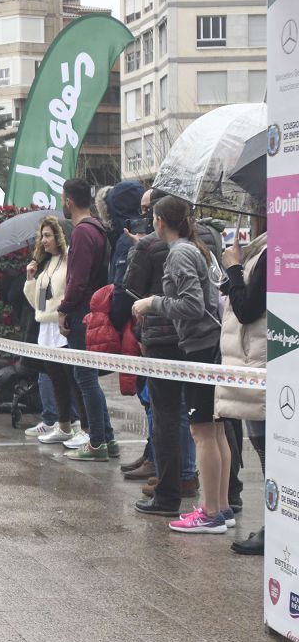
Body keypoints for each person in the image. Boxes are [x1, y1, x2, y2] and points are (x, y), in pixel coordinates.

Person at [132, 196, 229, 533]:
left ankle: (211, 513)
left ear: (160, 220)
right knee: (214, 430)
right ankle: (222, 508)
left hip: (202, 347)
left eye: (151, 216)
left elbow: (192, 304)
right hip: (207, 344)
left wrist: (152, 302)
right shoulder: (191, 248)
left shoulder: (180, 253)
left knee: (202, 430)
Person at [57, 178, 119, 461]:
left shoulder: (81, 232)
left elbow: (78, 279)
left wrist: (64, 307)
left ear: (69, 200)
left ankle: (96, 442)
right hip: (94, 309)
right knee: (89, 376)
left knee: (85, 376)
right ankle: (106, 437)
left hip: (82, 312)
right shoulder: (98, 228)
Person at [216, 220, 267, 554]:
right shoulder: (263, 246)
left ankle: (274, 527)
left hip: (259, 363)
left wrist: (234, 269)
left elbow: (249, 308)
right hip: (254, 363)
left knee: (271, 455)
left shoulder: (273, 250)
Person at [23, 216, 88, 444]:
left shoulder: (71, 258)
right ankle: (63, 426)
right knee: (57, 379)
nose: (43, 240)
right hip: (46, 327)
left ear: (59, 236)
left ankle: (85, 429)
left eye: (48, 235)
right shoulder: (48, 263)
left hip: (63, 325)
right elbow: (39, 304)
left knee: (74, 380)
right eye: (42, 236)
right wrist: (31, 280)